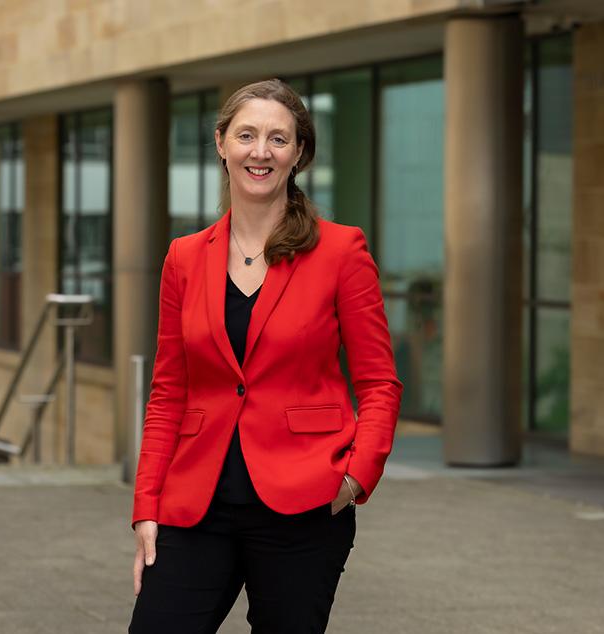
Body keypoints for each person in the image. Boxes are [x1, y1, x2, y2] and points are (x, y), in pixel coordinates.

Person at [128, 78, 403, 634]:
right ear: (221, 143)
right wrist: (147, 506)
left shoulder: (340, 250)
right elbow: (169, 392)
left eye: (278, 139)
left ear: (298, 152)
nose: (261, 151)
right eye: (247, 135)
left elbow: (379, 384)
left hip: (304, 504)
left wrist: (355, 477)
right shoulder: (184, 257)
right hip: (196, 502)